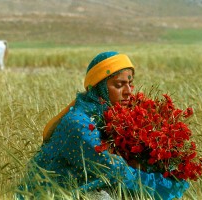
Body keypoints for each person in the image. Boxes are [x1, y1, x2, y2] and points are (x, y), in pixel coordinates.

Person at [18, 51, 189, 200]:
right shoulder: (79, 123)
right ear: (100, 88)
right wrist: (166, 185)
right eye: (119, 85)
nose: (129, 91)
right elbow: (114, 172)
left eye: (130, 83)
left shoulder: (114, 117)